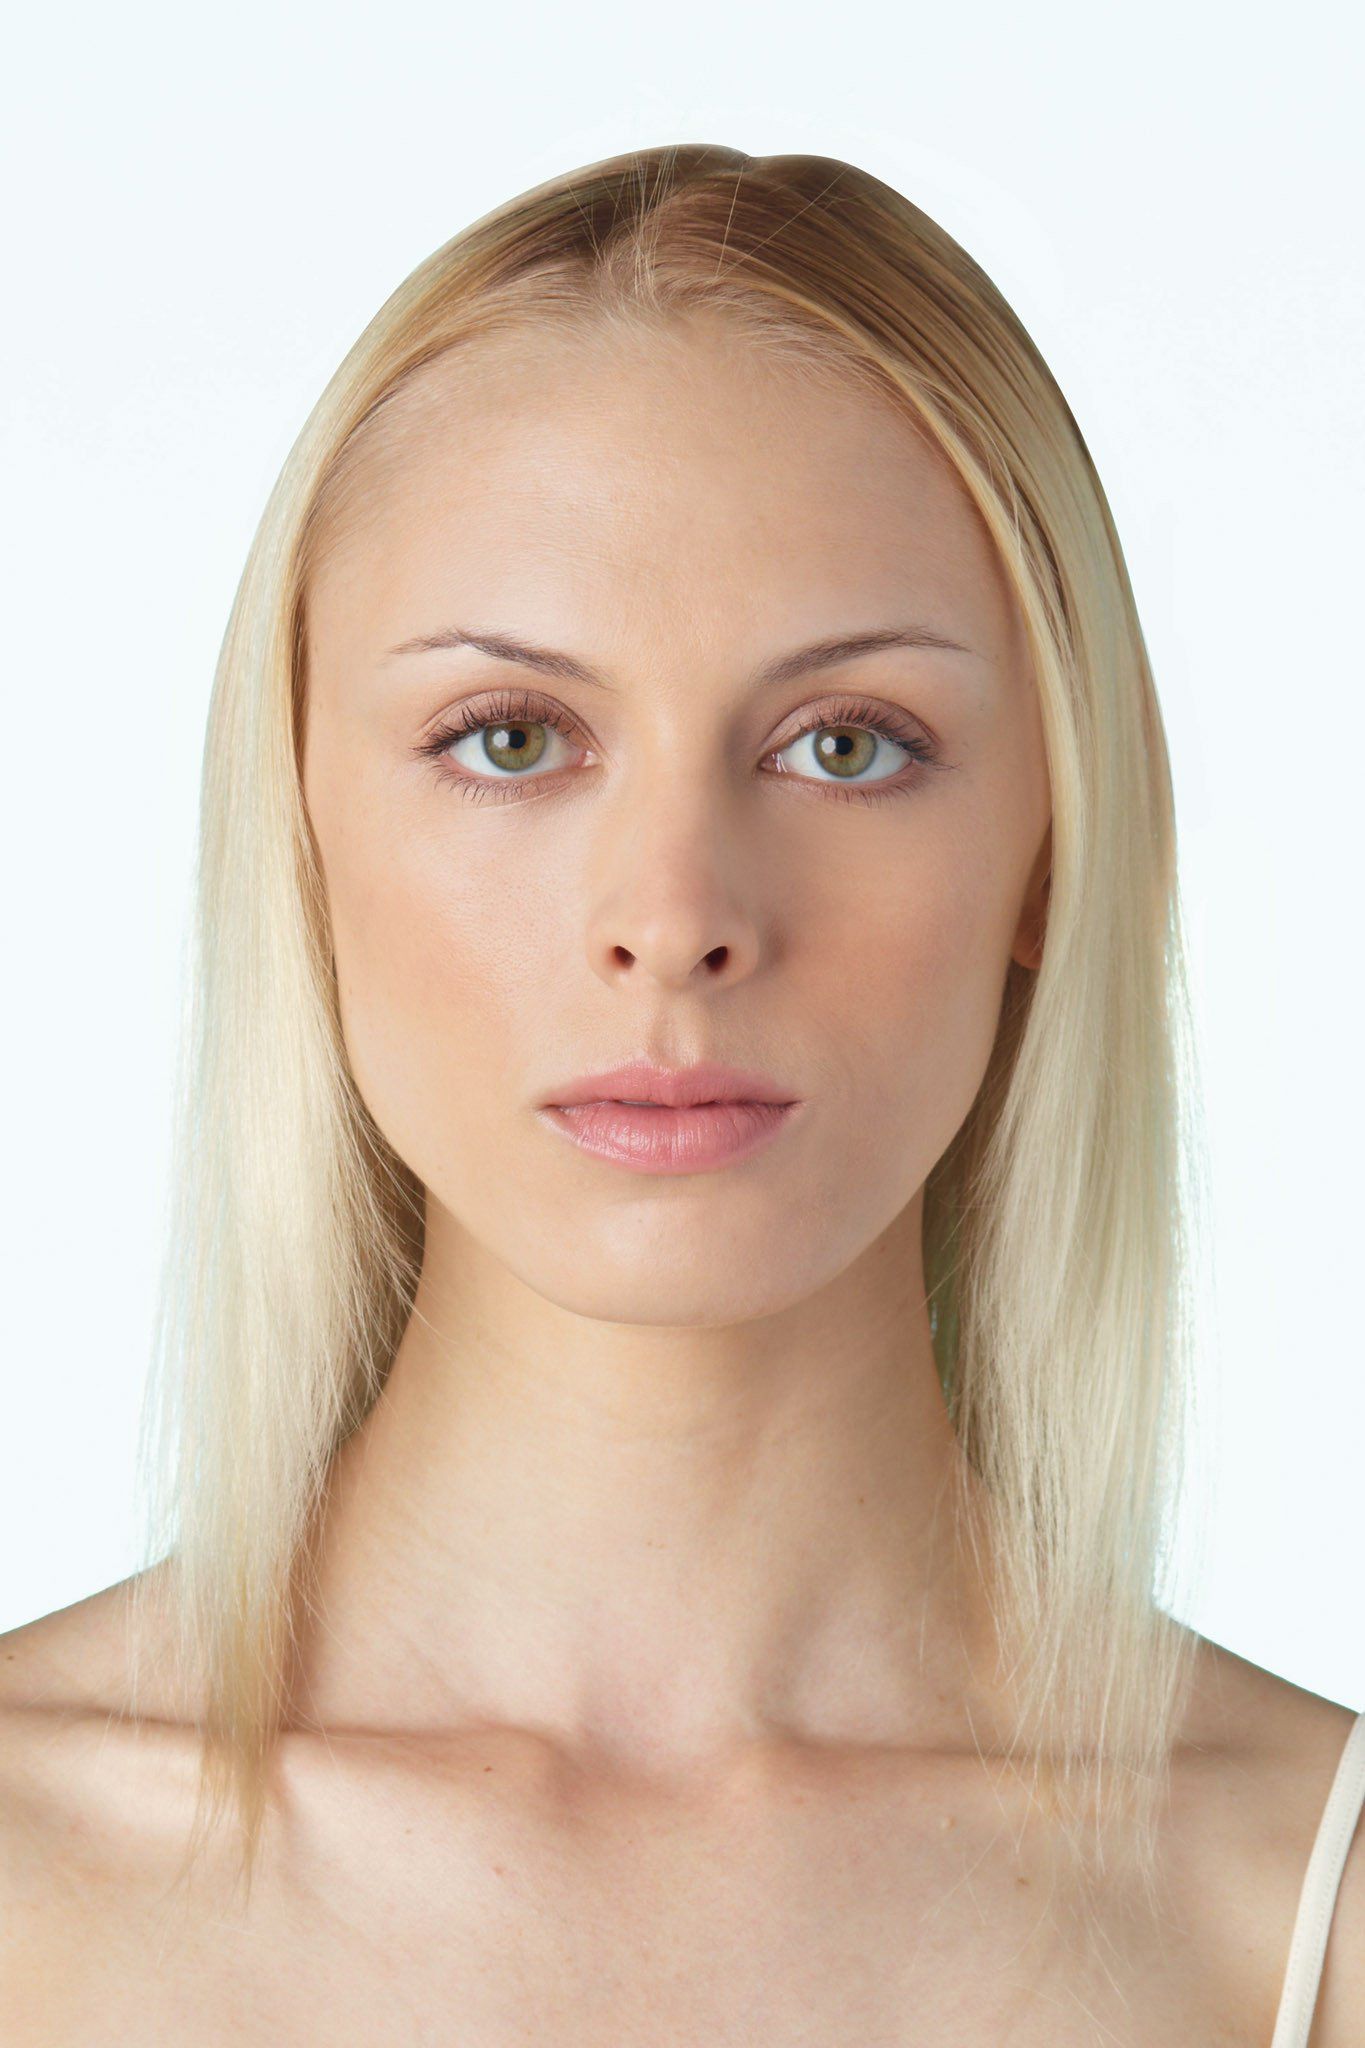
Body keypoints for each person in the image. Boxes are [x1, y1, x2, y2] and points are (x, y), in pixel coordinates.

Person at [0, 144, 1360, 2045]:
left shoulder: (1306, 1907)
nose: (674, 917)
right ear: (297, 829)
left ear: (1055, 843)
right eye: (509, 738)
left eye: (844, 744)